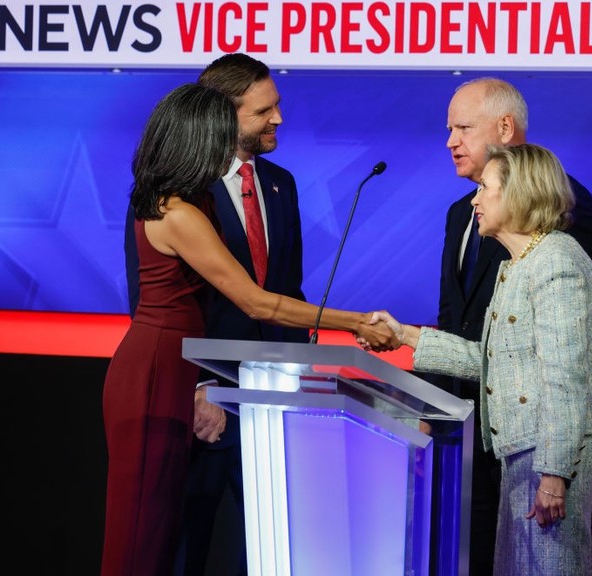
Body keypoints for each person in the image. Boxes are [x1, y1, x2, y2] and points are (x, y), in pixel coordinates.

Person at [102, 82, 397, 576]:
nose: (227, 151)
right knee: (140, 532)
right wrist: (356, 322)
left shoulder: (178, 203)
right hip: (156, 373)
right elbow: (258, 302)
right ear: (198, 140)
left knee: (155, 527)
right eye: (220, 138)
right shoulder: (178, 214)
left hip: (166, 364)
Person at [373, 142, 592, 576]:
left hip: (549, 453)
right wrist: (404, 335)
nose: (474, 198)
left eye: (485, 187)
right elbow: (491, 360)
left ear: (517, 194)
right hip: (524, 449)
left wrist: (554, 476)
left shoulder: (556, 263)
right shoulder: (519, 264)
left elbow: (566, 380)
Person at [438, 77, 592, 575]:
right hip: (472, 424)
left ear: (505, 127)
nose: (450, 142)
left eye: (463, 127)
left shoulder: (560, 208)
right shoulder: (458, 214)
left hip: (537, 428)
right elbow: (458, 319)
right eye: (449, 129)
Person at [124, 53, 308, 576]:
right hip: (204, 406)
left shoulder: (281, 183)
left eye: (277, 106)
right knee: (183, 550)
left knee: (280, 554)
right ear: (223, 115)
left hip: (273, 404)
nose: (278, 119)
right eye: (263, 111)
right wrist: (195, 391)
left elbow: (285, 290)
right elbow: (150, 301)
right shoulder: (177, 193)